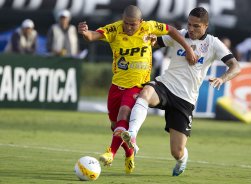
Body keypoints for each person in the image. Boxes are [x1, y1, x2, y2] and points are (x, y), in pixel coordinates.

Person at [120, 7, 241, 176]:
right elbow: (154, 43)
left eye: (196, 26)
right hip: (166, 85)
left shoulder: (213, 43)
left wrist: (222, 78)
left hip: (185, 99)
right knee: (145, 93)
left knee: (176, 151)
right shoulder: (179, 34)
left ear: (206, 26)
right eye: (189, 24)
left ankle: (182, 160)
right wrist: (150, 39)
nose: (191, 29)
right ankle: (132, 134)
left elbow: (235, 66)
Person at [77, 5, 197, 174]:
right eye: (126, 23)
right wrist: (84, 33)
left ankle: (110, 152)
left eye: (133, 24)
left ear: (140, 22)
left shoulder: (149, 27)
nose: (129, 27)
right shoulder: (114, 29)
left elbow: (171, 30)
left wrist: (188, 48)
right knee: (115, 126)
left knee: (123, 115)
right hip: (117, 85)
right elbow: (92, 36)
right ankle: (129, 152)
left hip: (137, 85)